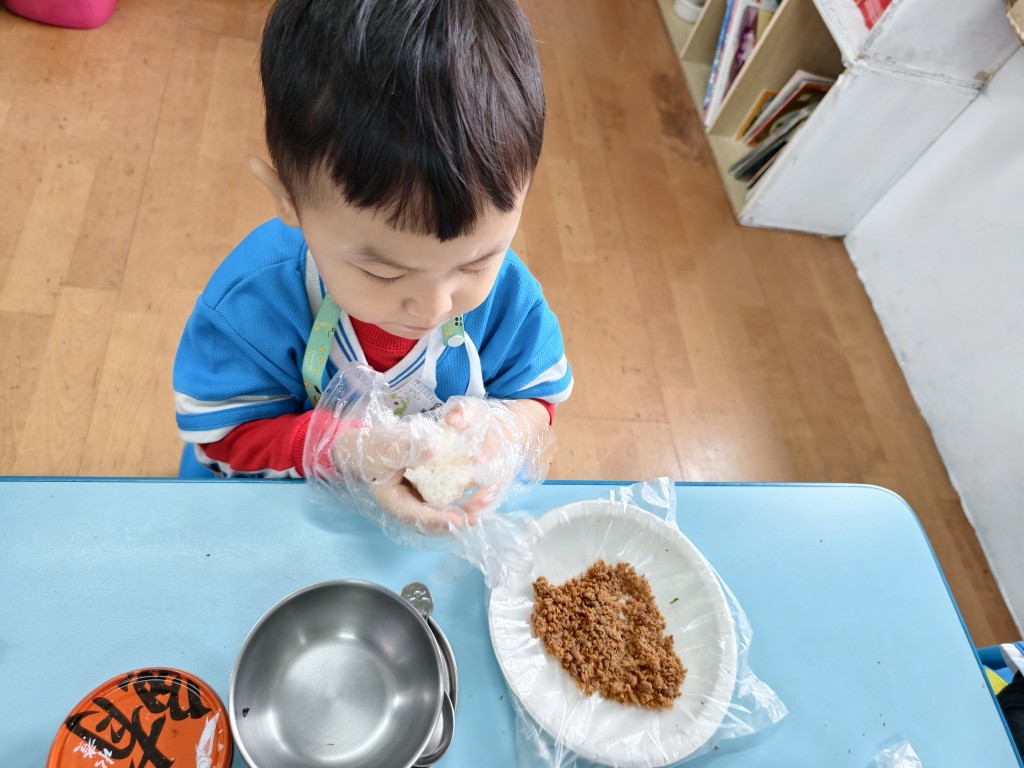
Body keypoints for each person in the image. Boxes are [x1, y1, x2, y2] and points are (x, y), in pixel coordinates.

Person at [172, 0, 572, 527]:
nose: (434, 305)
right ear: (288, 199)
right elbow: (223, 439)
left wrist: (504, 430)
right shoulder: (251, 304)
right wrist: (346, 451)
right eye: (384, 272)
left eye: (477, 263)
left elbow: (536, 401)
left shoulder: (510, 303)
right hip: (276, 516)